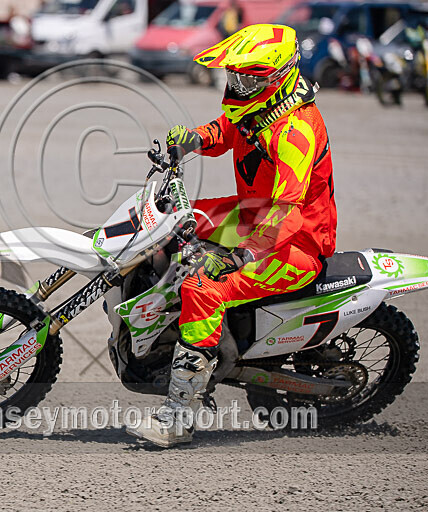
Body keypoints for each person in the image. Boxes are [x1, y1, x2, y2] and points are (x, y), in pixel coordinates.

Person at [126, 24, 336, 448]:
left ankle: (178, 418)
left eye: (247, 79)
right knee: (173, 221)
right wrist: (191, 141)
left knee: (204, 288)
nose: (237, 85)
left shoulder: (294, 132)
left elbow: (285, 212)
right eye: (234, 77)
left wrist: (237, 257)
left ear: (278, 79)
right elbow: (226, 130)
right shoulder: (260, 109)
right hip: (254, 214)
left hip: (294, 241)